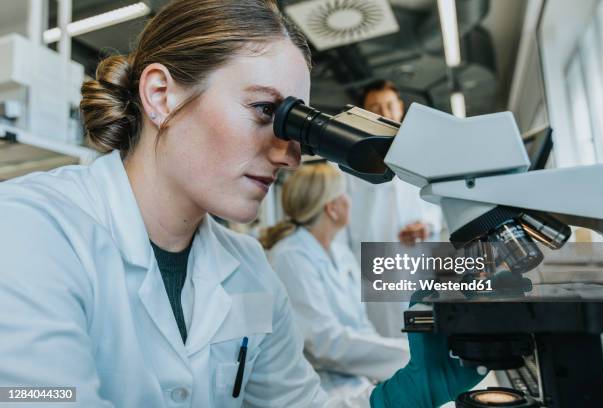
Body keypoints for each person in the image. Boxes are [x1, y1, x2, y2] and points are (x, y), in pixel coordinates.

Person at [0, 1, 482, 407]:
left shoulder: (249, 270)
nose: (290, 154)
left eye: (297, 129)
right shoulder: (32, 230)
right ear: (161, 96)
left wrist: (397, 399)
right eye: (266, 111)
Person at [261, 163, 410, 398]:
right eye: (345, 196)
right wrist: (407, 356)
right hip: (320, 387)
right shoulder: (290, 256)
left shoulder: (341, 252)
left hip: (357, 379)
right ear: (332, 208)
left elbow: (362, 326)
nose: (349, 202)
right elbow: (321, 343)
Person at [343, 80, 444, 338]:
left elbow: (439, 203)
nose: (385, 114)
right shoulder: (349, 159)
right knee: (385, 341)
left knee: (423, 336)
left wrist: (427, 225)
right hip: (370, 268)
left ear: (400, 108)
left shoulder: (423, 154)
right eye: (376, 107)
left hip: (417, 262)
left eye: (389, 106)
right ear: (364, 113)